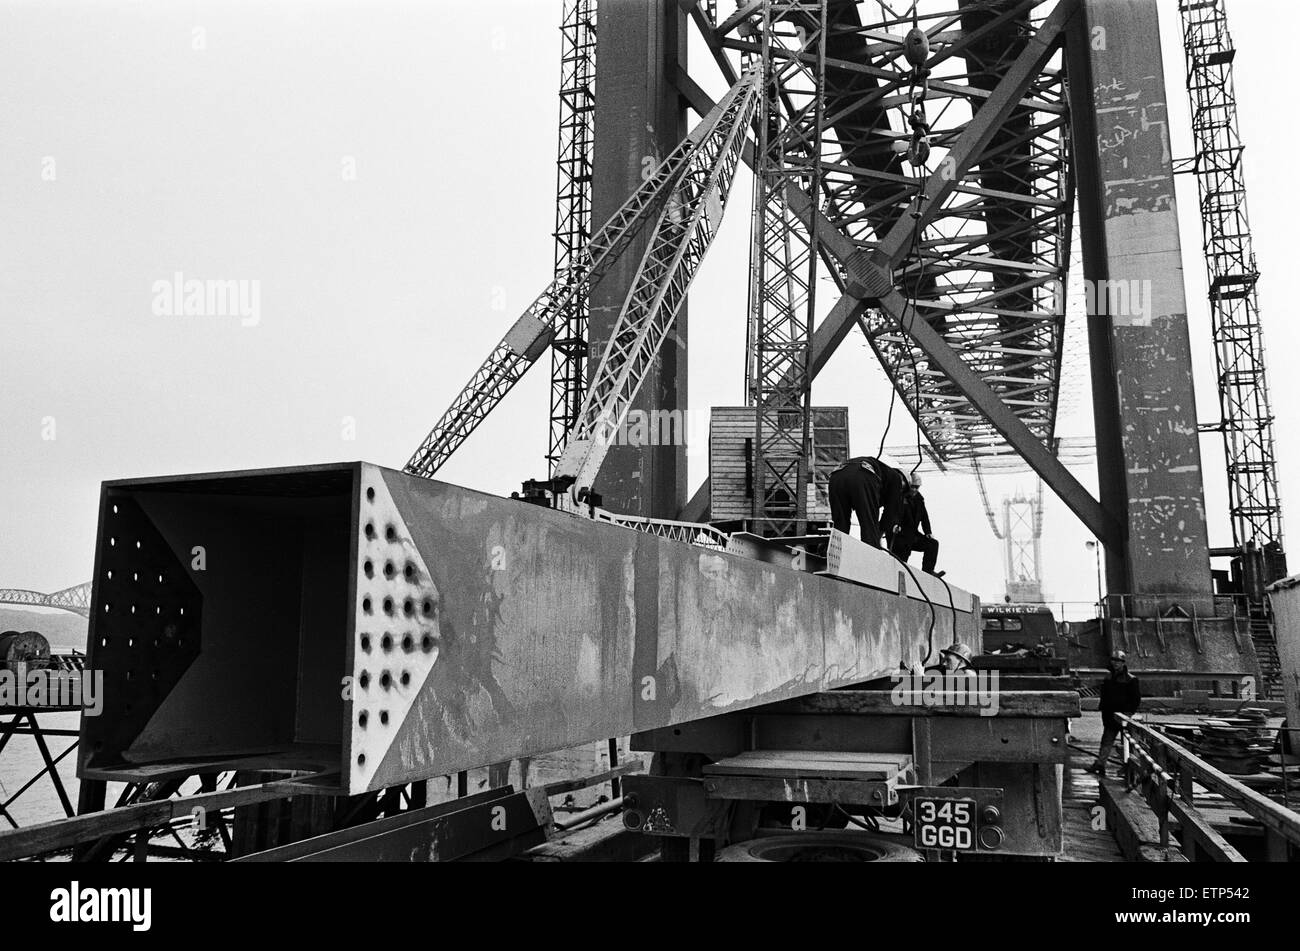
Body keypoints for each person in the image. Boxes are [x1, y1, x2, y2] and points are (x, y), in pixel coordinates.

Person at [828, 456, 908, 547]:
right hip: (862, 476)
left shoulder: (884, 473)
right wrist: (878, 534)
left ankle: (836, 553)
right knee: (869, 526)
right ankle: (870, 557)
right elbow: (890, 512)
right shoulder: (896, 478)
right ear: (904, 479)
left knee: (840, 526)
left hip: (837, 475)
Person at [1087, 650, 1141, 777]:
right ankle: (1100, 764)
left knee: (1128, 743)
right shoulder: (1108, 678)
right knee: (1106, 741)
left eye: (1119, 661)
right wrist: (1104, 711)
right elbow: (1104, 697)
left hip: (1124, 716)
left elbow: (1136, 699)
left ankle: (1128, 768)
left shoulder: (1131, 679)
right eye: (1114, 660)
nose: (1116, 663)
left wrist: (1128, 713)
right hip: (1110, 716)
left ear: (1123, 663)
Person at [889, 471, 942, 575]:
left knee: (932, 544)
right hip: (900, 535)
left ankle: (928, 571)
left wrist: (928, 532)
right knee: (901, 559)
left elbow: (924, 517)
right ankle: (898, 572)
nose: (914, 490)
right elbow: (893, 512)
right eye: (912, 487)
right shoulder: (900, 496)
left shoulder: (919, 500)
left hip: (913, 534)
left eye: (916, 487)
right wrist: (894, 524)